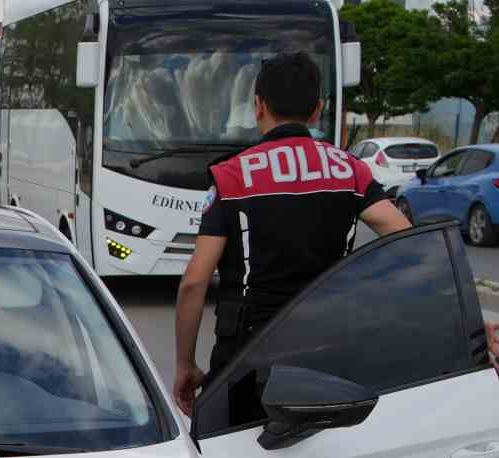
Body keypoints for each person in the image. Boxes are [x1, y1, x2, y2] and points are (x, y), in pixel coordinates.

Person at [173, 52, 413, 420]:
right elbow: (407, 243)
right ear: (317, 110)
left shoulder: (232, 176)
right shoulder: (349, 169)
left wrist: (185, 364)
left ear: (258, 105)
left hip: (246, 355)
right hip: (328, 346)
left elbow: (194, 282)